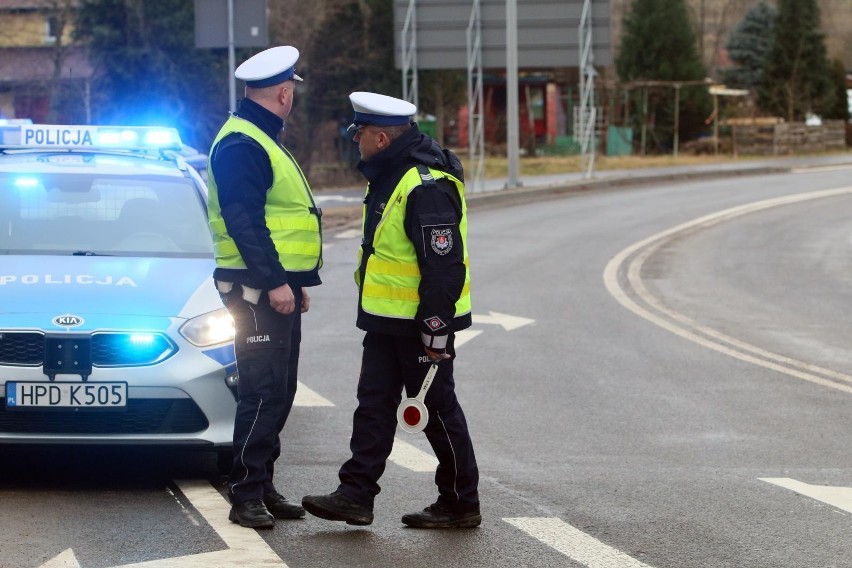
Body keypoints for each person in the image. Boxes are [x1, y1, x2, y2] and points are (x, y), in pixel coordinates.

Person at [302, 92, 480, 529]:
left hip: (420, 324)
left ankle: (461, 502)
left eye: (359, 133)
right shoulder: (388, 176)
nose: (355, 141)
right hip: (386, 322)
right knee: (374, 406)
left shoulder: (426, 184)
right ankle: (355, 495)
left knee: (437, 410)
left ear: (380, 138)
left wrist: (436, 329)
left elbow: (443, 266)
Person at [207, 45, 322, 529]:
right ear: (282, 92)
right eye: (291, 88)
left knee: (281, 388)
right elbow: (245, 223)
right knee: (262, 389)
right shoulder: (243, 144)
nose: (292, 95)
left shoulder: (260, 137)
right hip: (252, 290)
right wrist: (276, 281)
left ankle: (262, 482)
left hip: (274, 289)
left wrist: (294, 283)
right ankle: (245, 492)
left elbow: (277, 220)